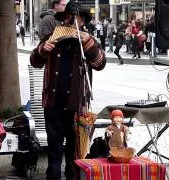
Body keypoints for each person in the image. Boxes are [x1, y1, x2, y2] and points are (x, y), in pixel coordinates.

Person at [30, 2, 106, 180]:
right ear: (63, 19)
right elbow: (35, 61)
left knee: (75, 151)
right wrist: (42, 50)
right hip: (53, 102)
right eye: (67, 18)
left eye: (75, 19)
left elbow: (100, 63)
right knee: (54, 149)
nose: (70, 22)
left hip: (77, 105)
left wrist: (87, 42)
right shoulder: (51, 37)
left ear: (83, 22)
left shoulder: (87, 40)